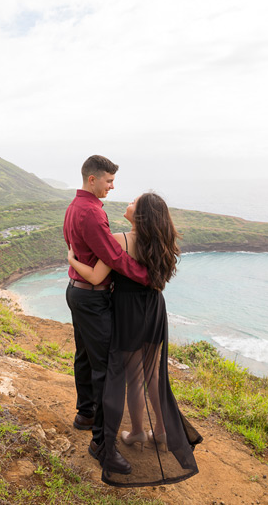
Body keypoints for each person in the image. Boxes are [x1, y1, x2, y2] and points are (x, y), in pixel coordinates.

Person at [69, 191, 202, 486]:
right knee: (153, 374)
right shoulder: (162, 243)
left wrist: (71, 259)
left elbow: (93, 277)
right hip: (154, 309)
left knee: (131, 376)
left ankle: (138, 431)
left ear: (139, 215)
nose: (127, 203)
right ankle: (164, 432)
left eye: (133, 202)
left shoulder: (120, 241)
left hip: (128, 312)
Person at [64, 155, 150, 475]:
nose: (112, 187)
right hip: (92, 297)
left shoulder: (75, 207)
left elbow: (77, 249)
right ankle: (102, 445)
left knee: (85, 357)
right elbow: (113, 256)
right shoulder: (91, 213)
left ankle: (85, 414)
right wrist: (146, 277)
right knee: (108, 372)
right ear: (93, 179)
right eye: (109, 181)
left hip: (77, 291)